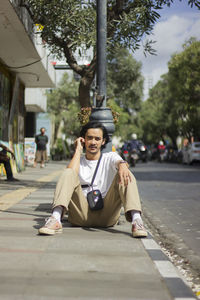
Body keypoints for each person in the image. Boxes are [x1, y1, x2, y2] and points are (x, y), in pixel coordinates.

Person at [38, 122, 147, 238]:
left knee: (125, 173)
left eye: (97, 139)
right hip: (80, 214)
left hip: (107, 215)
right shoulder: (78, 161)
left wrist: (122, 164)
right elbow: (70, 173)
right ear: (83, 140)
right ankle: (55, 219)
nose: (93, 142)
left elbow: (119, 162)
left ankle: (137, 221)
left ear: (103, 141)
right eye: (89, 138)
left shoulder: (109, 157)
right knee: (68, 172)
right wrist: (78, 150)